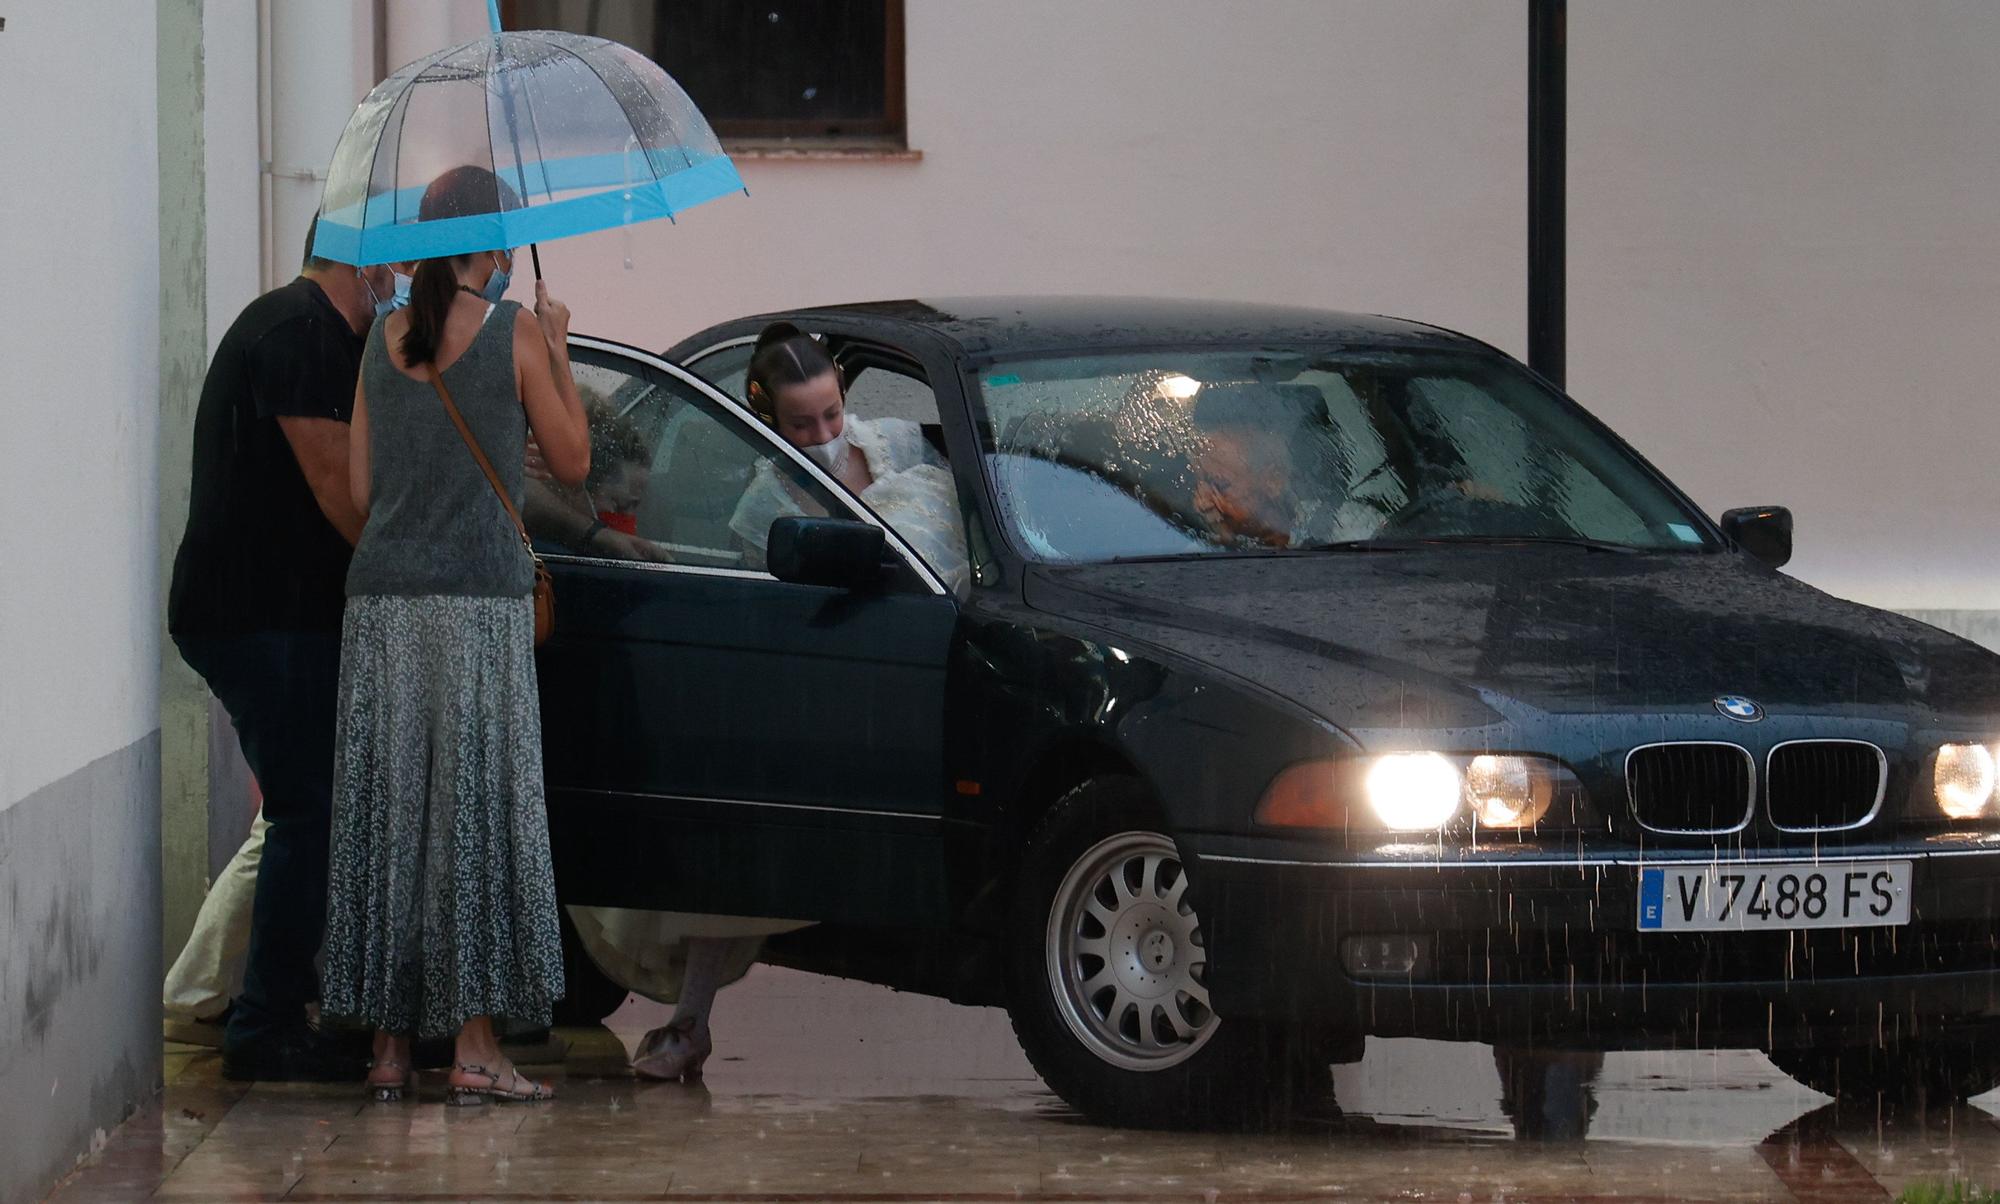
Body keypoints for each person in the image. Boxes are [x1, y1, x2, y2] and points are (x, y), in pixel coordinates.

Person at [319, 164, 590, 1104]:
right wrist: (555, 346)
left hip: (382, 610)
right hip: (478, 611)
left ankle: (391, 1049)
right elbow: (575, 461)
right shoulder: (512, 331)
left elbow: (360, 493)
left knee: (394, 819)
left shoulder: (378, 342)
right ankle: (475, 1047)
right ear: (493, 244)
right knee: (474, 816)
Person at [168, 220, 399, 1081]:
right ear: (365, 260)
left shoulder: (314, 333)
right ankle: (263, 1024)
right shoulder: (299, 333)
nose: (403, 281)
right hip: (254, 617)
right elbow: (345, 500)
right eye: (398, 263)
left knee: (311, 809)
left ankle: (276, 1005)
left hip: (274, 615)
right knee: (310, 812)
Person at [727, 322, 970, 590]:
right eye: (800, 424)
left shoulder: (898, 442)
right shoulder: (761, 508)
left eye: (832, 414)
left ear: (842, 396)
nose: (822, 434)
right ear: (770, 419)